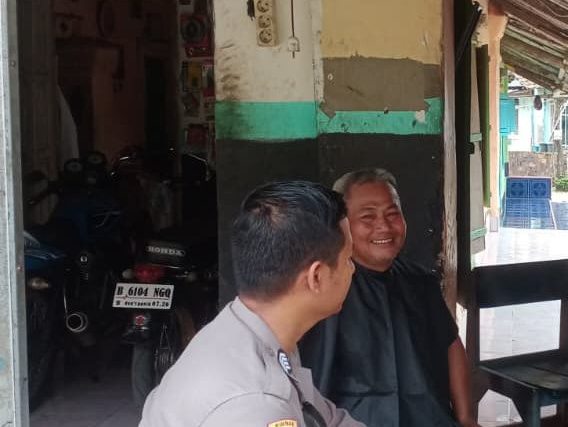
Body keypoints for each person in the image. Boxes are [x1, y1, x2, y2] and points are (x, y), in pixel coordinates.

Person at [139, 180, 365, 427]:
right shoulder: (256, 403)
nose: (352, 269)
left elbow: (329, 420)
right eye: (348, 259)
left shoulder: (250, 330)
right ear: (316, 277)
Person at [300, 168, 480, 427]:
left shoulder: (420, 282)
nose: (384, 226)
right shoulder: (325, 288)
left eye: (392, 214)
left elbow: (451, 345)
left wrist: (466, 418)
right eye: (368, 216)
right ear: (342, 225)